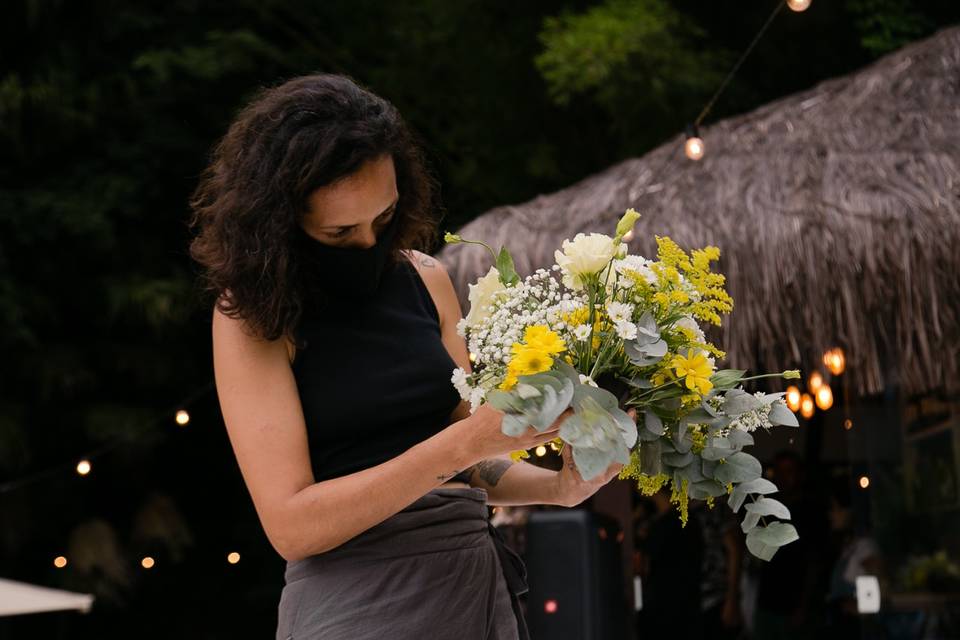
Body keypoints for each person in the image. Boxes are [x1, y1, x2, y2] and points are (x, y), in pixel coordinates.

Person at [187, 73, 625, 640]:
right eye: (340, 232)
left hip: (472, 584)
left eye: (384, 217)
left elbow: (469, 466)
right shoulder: (253, 316)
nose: (369, 244)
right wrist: (466, 441)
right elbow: (291, 526)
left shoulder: (425, 277)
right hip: (358, 606)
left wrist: (558, 489)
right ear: (280, 222)